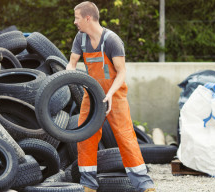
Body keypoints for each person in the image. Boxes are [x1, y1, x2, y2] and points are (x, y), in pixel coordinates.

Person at [66, 1, 155, 192]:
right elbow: (72, 64)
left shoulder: (112, 40)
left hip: (115, 95)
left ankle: (144, 185)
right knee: (85, 137)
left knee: (125, 137)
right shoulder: (80, 39)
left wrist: (111, 94)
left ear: (88, 18)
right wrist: (66, 77)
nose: (75, 22)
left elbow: (121, 72)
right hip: (92, 96)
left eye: (77, 18)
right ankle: (89, 184)